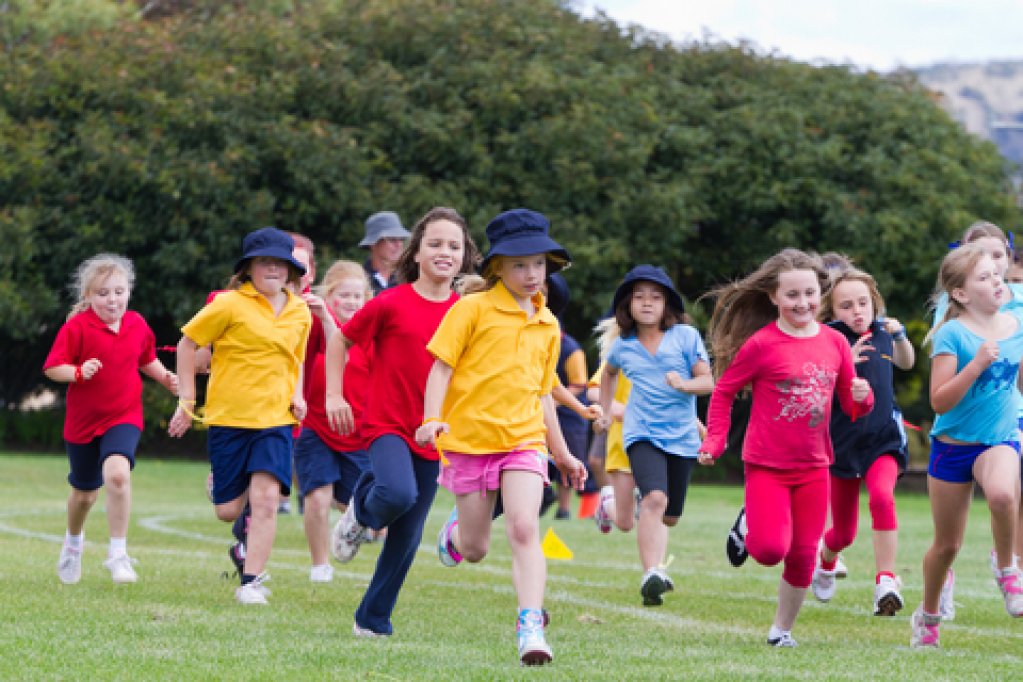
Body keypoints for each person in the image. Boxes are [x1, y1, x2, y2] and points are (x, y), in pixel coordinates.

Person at [413, 207, 587, 666]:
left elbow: (542, 392)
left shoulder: (548, 324)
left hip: (523, 440)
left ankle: (530, 625)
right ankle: (456, 533)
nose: (532, 275)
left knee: (525, 527)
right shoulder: (471, 310)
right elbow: (441, 367)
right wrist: (432, 419)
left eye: (540, 265)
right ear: (496, 268)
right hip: (468, 442)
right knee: (475, 550)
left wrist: (563, 453)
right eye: (520, 265)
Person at [697, 248, 873, 648]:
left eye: (809, 294)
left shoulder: (835, 343)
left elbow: (851, 405)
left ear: (820, 295)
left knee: (803, 555)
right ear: (774, 297)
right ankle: (749, 526)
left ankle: (781, 631)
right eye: (791, 295)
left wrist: (863, 395)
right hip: (766, 466)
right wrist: (714, 440)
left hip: (814, 466)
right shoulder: (761, 345)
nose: (802, 303)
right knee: (769, 550)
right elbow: (723, 392)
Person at [326, 206, 481, 638]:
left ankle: (372, 620)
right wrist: (333, 394)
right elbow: (341, 338)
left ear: (465, 255)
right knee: (396, 492)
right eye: (434, 244)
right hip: (387, 425)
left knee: (408, 535)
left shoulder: (467, 312)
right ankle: (360, 510)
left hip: (435, 433)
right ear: (416, 253)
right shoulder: (390, 303)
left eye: (454, 245)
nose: (444, 252)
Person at [168, 227, 312, 605]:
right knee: (227, 509)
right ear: (248, 268)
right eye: (264, 261)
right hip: (229, 418)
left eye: (281, 263)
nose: (273, 269)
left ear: (291, 270)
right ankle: (225, 483)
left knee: (266, 499)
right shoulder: (229, 304)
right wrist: (188, 398)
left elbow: (294, 359)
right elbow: (187, 344)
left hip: (275, 420)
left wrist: (297, 395)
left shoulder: (300, 312)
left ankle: (251, 581)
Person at [910, 243, 1023, 648]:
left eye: (998, 275)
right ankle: (928, 616)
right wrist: (976, 364)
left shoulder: (1017, 328)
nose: (997, 282)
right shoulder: (952, 335)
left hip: (999, 439)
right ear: (960, 294)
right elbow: (939, 401)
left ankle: (1008, 569)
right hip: (953, 447)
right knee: (947, 546)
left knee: (1003, 495)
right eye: (985, 278)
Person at [45, 254, 178, 585]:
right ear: (89, 296)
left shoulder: (137, 325)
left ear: (128, 292)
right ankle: (73, 543)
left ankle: (117, 554)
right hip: (83, 423)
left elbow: (147, 358)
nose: (112, 299)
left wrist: (166, 378)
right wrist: (77, 372)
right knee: (84, 495)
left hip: (124, 415)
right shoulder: (76, 327)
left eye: (119, 292)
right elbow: (52, 367)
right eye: (103, 293)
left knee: (118, 476)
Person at [593, 265, 713, 607]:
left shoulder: (687, 338)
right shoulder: (622, 346)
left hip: (681, 437)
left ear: (667, 305)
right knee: (654, 499)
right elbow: (608, 376)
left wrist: (685, 384)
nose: (647, 303)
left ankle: (610, 504)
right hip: (641, 433)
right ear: (627, 305)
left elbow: (709, 383)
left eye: (655, 297)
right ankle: (651, 573)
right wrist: (604, 410)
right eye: (639, 297)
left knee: (670, 514)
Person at [810, 266, 914, 615]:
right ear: (831, 311)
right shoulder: (827, 337)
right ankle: (825, 560)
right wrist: (843, 362)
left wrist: (900, 337)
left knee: (883, 498)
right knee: (843, 533)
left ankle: (885, 579)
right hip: (841, 445)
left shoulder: (884, 332)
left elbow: (907, 362)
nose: (856, 312)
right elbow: (812, 382)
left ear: (875, 304)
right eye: (846, 306)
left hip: (882, 439)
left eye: (863, 303)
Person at [293, 260, 373, 582]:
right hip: (318, 428)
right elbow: (328, 347)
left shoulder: (372, 333)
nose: (352, 303)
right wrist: (322, 315)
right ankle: (320, 566)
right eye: (344, 295)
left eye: (358, 296)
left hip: (359, 435)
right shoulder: (314, 326)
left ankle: (353, 522)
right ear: (329, 296)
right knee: (316, 498)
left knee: (368, 513)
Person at [360, 211, 412, 295]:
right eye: (392, 239)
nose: (398, 244)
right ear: (373, 243)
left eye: (401, 239)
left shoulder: (410, 279)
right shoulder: (358, 280)